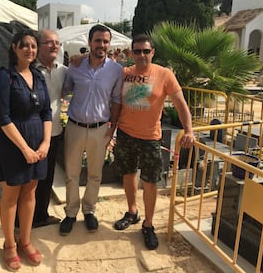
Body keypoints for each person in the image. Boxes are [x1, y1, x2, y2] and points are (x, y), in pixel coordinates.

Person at [113, 34, 195, 250]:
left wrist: (189, 130)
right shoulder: (125, 73)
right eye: (137, 51)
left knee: (150, 181)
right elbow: (117, 102)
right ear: (131, 53)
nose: (141, 55)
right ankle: (132, 212)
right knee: (128, 174)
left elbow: (180, 104)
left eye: (145, 51)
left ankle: (148, 224)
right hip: (125, 134)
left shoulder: (164, 74)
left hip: (150, 137)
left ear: (152, 53)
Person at [0, 29, 52, 270]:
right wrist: (25, 149)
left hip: (38, 141)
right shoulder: (5, 77)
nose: (30, 50)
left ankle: (25, 241)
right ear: (14, 47)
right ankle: (9, 245)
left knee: (30, 193)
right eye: (24, 45)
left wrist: (45, 143)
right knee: (11, 195)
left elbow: (46, 111)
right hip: (13, 144)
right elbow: (2, 117)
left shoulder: (39, 76)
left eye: (34, 46)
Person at [60, 24, 123, 236]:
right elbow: (65, 89)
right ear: (89, 42)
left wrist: (112, 130)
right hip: (75, 126)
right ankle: (70, 213)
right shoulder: (75, 66)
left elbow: (116, 101)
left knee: (95, 174)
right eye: (98, 40)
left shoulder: (116, 70)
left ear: (109, 44)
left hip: (100, 130)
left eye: (105, 41)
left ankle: (89, 210)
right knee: (72, 174)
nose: (102, 45)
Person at [32, 29, 68, 227]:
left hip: (53, 132)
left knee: (46, 177)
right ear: (38, 46)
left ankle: (41, 215)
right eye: (49, 42)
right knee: (29, 179)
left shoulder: (63, 71)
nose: (55, 45)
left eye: (57, 42)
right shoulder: (28, 70)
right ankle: (22, 218)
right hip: (31, 133)